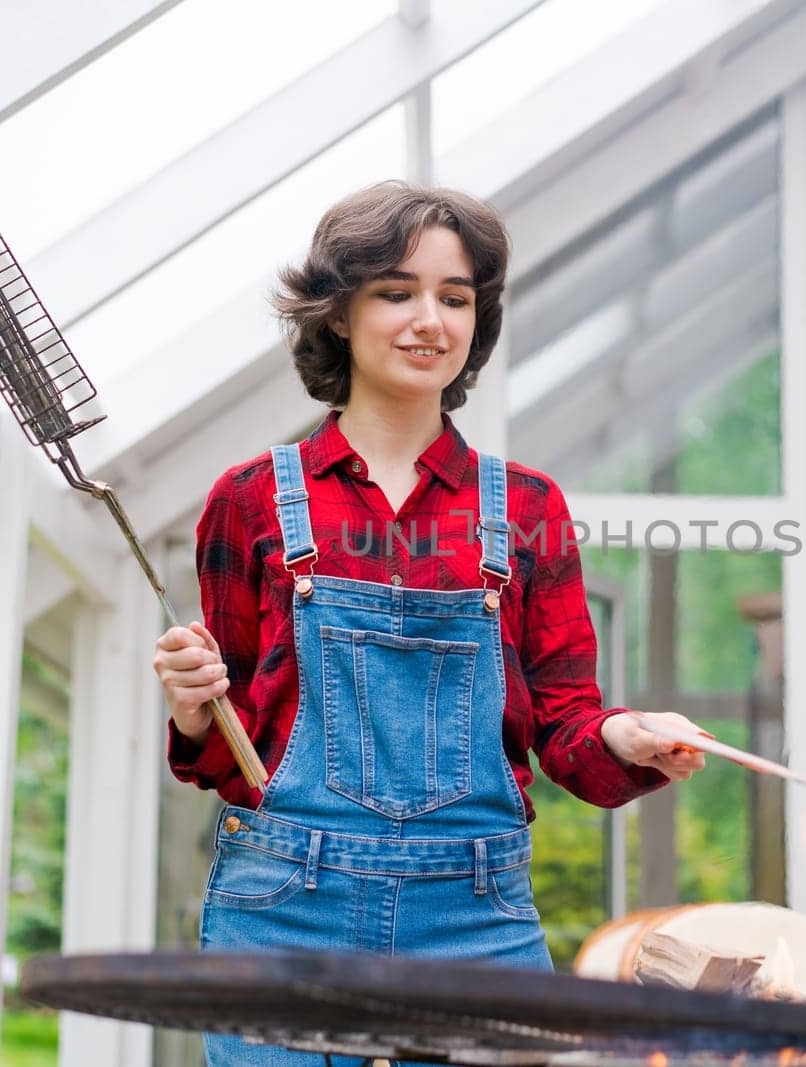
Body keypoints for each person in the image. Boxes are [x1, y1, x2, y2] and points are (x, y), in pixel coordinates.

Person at [152, 181, 707, 1065]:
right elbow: (236, 747)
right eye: (397, 291)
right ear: (338, 312)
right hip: (286, 904)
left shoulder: (526, 507)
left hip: (472, 912)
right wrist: (192, 711)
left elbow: (565, 721)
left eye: (455, 298)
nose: (430, 321)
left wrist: (628, 735)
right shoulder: (251, 500)